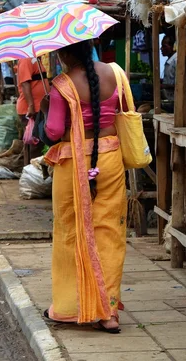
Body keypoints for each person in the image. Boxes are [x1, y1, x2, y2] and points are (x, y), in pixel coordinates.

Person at [42, 40, 127, 333]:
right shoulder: (116, 74)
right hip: (111, 159)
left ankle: (68, 308)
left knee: (70, 231)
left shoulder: (61, 85)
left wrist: (45, 108)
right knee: (109, 232)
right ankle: (110, 313)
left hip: (74, 164)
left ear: (64, 54)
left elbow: (52, 132)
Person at [17, 57, 50, 163]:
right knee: (34, 142)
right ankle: (32, 170)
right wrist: (30, 106)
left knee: (38, 142)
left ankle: (34, 170)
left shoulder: (36, 59)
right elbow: (25, 83)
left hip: (39, 106)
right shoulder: (26, 59)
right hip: (32, 108)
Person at [161, 34, 177, 101]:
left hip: (175, 100)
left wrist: (163, 86)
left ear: (172, 47)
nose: (161, 48)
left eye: (164, 46)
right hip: (168, 99)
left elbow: (179, 85)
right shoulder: (168, 61)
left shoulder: (176, 60)